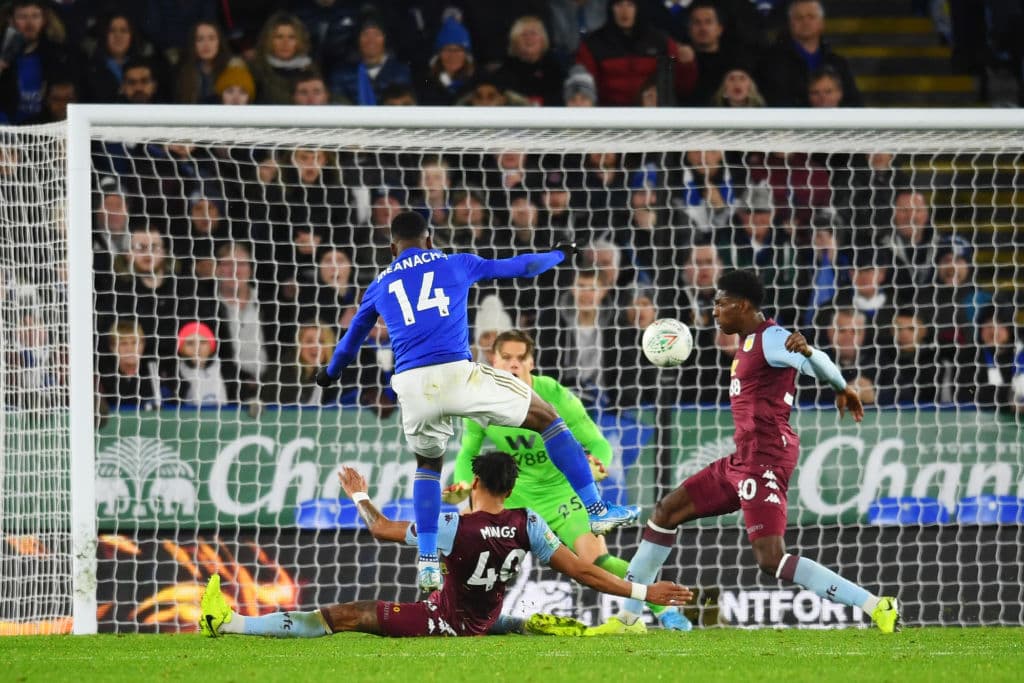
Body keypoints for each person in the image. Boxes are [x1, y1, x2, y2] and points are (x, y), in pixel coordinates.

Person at [315, 211, 640, 592]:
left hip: (413, 385)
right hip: (458, 373)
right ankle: (597, 510)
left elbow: (351, 340)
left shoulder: (379, 284)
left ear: (392, 248)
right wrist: (557, 255)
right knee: (548, 418)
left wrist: (329, 375)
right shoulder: (455, 262)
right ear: (430, 240)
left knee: (428, 466)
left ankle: (428, 562)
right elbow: (520, 267)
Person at [593, 269, 901, 635]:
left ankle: (876, 605)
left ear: (741, 305)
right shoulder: (746, 343)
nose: (714, 311)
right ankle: (628, 620)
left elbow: (815, 360)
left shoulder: (771, 337)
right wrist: (840, 388)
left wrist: (830, 375)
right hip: (742, 459)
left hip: (766, 459)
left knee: (771, 559)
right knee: (665, 513)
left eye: (720, 303)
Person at [198, 452, 692, 638]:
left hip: (446, 623)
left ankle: (231, 622)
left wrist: (359, 495)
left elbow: (381, 528)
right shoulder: (530, 523)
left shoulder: (453, 525)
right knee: (520, 624)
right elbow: (584, 571)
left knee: (344, 615)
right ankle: (583, 627)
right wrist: (644, 592)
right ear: (510, 487)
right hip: (483, 619)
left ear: (476, 481)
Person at [447, 330, 694, 632]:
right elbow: (467, 453)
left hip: (562, 492)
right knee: (465, 538)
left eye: (521, 358)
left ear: (531, 362)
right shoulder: (483, 400)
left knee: (595, 561)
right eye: (507, 358)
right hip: (515, 494)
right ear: (494, 361)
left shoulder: (554, 395)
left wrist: (597, 463)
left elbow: (597, 443)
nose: (514, 364)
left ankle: (664, 608)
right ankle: (452, 611)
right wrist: (463, 484)